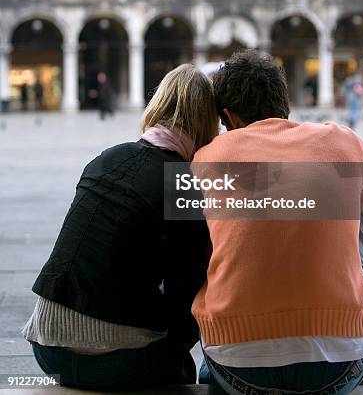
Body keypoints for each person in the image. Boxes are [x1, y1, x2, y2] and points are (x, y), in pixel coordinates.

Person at [192, 49, 363, 395]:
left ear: (228, 117)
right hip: (339, 369)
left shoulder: (206, 159)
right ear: (284, 103)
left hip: (235, 371)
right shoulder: (344, 141)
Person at [23, 64, 218, 391]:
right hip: (115, 360)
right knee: (183, 368)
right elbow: (188, 298)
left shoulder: (107, 158)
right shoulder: (183, 185)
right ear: (206, 122)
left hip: (47, 349)